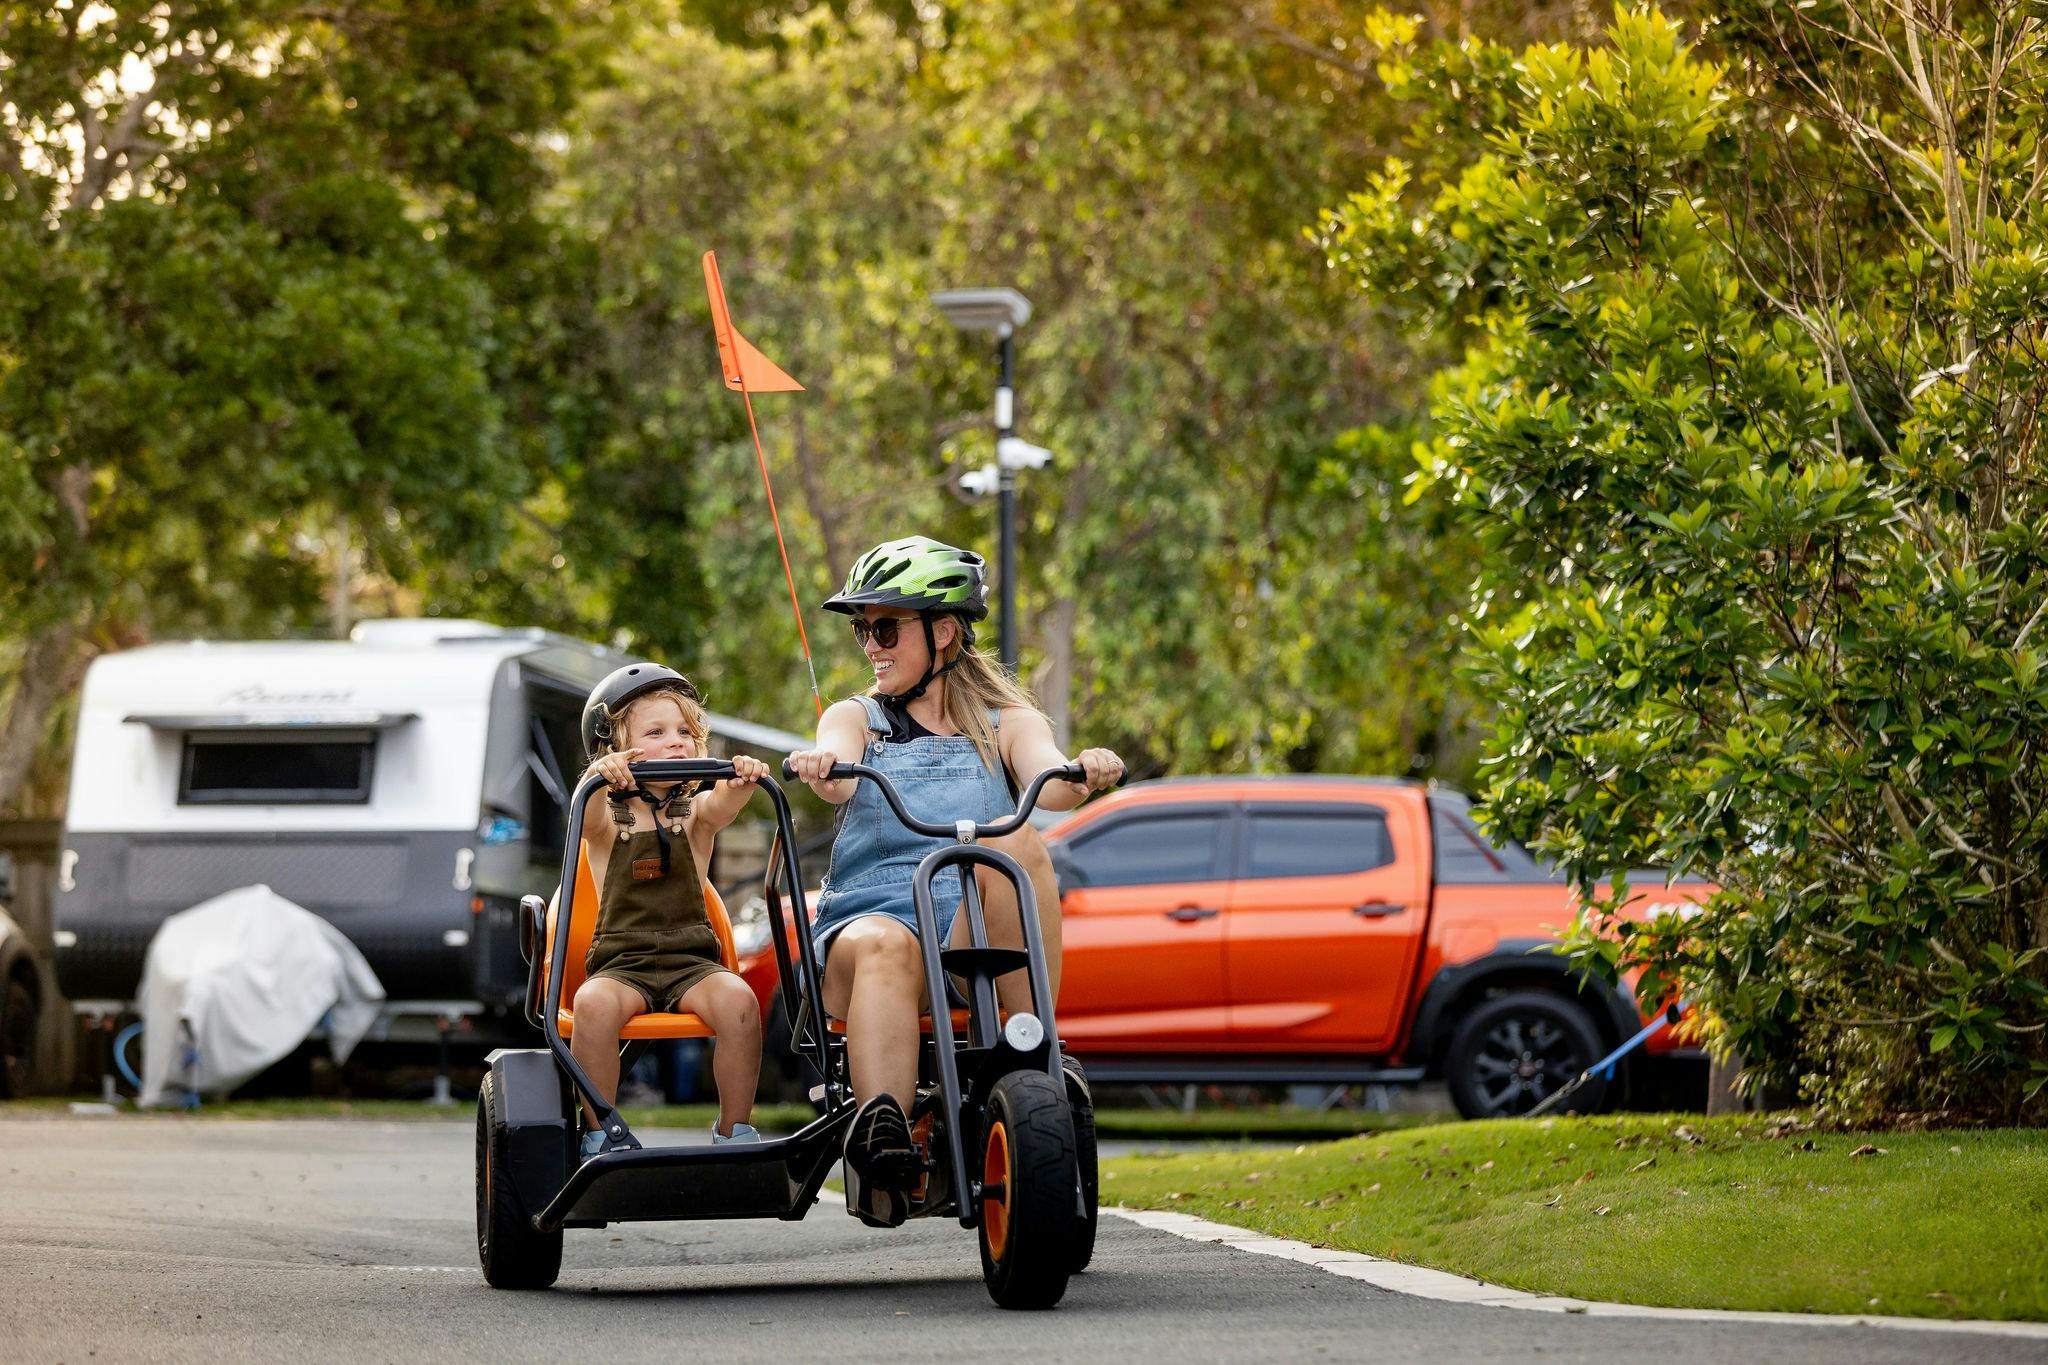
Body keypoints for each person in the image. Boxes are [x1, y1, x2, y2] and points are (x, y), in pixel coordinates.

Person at [786, 536, 1123, 1208]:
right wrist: (823, 764)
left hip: (964, 935)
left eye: (885, 628)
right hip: (874, 929)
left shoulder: (1007, 722)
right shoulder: (858, 718)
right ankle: (884, 1130)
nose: (870, 645)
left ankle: (1033, 1054)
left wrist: (1084, 771)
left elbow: (1050, 779)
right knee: (886, 942)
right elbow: (836, 768)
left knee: (1017, 837)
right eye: (862, 630)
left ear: (942, 633)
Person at [571, 663, 770, 1158]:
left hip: (691, 963)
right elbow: (587, 815)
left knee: (740, 1002)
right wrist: (598, 776)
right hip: (623, 963)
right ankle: (600, 1131)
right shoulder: (605, 815)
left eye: (684, 732)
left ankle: (734, 1130)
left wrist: (742, 780)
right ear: (615, 747)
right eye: (656, 733)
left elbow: (724, 805)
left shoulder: (694, 812)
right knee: (593, 1005)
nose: (676, 742)